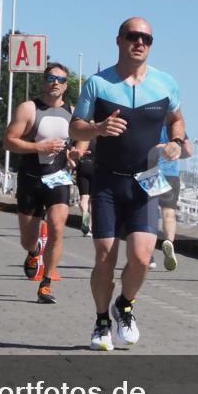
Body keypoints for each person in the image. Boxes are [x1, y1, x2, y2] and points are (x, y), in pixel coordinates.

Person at [70, 18, 187, 351]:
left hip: (145, 180)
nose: (140, 42)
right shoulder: (98, 83)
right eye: (133, 36)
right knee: (105, 255)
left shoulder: (166, 83)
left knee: (141, 256)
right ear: (119, 40)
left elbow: (176, 117)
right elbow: (75, 128)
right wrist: (97, 129)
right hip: (107, 180)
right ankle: (101, 321)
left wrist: (176, 140)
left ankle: (125, 305)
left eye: (146, 38)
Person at [4, 63, 79, 305]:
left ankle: (45, 284)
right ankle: (34, 252)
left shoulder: (73, 112)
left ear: (66, 85)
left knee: (58, 227)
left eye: (60, 79)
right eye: (51, 77)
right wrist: (39, 147)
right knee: (27, 239)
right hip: (30, 178)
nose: (55, 82)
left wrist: (75, 153)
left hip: (58, 177)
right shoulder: (28, 108)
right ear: (44, 81)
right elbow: (9, 142)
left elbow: (82, 139)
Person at [156, 128, 193, 270]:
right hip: (171, 175)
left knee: (148, 214)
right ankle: (169, 242)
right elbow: (189, 151)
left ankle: (147, 255)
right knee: (169, 214)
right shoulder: (177, 128)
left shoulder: (150, 119)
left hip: (150, 172)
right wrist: (175, 154)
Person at [75, 139, 96, 236]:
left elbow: (73, 152)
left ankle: (86, 219)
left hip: (83, 165)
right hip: (96, 167)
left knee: (84, 198)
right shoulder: (101, 136)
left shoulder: (83, 137)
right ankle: (90, 227)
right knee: (92, 199)